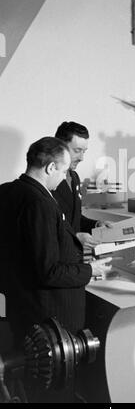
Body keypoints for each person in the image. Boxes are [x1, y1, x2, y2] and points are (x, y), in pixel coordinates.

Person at [0, 137, 111, 347]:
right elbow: (48, 271)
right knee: (53, 378)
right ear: (51, 167)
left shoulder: (7, 191)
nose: (63, 179)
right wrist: (90, 270)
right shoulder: (39, 203)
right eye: (63, 171)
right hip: (50, 320)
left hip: (21, 308)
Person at [53, 121, 109, 250]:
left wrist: (97, 224)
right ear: (60, 147)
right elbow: (46, 227)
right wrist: (75, 237)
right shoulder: (47, 180)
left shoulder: (74, 177)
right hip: (56, 258)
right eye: (77, 151)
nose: (82, 158)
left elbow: (75, 219)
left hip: (74, 257)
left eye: (84, 151)